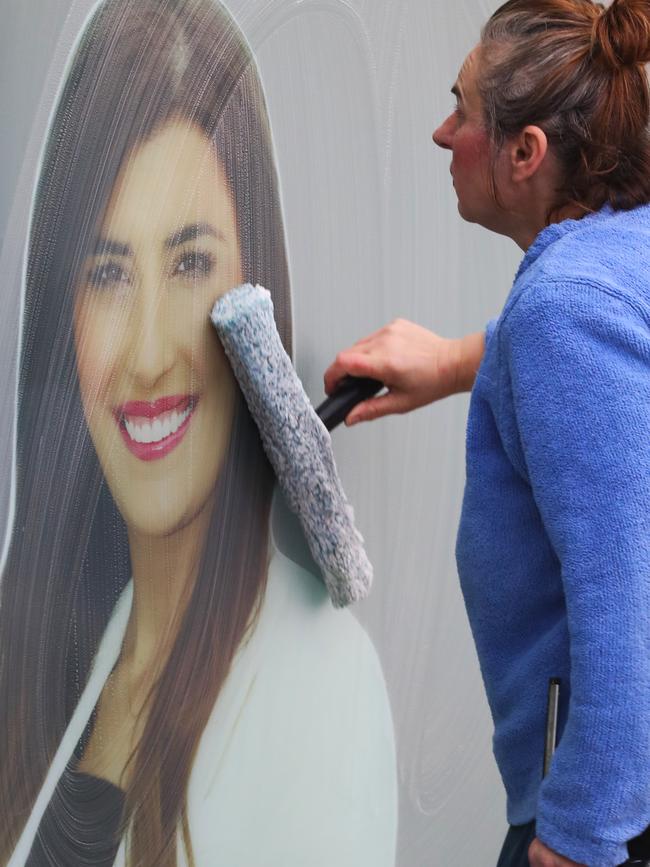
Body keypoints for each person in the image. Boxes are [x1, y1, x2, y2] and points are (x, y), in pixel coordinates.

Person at [0, 1, 397, 865]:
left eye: (189, 263)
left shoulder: (322, 693)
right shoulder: (53, 658)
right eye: (107, 272)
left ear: (258, 286)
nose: (145, 356)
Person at [325, 0, 650, 865]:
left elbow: (630, 596)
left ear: (524, 153)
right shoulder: (624, 258)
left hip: (607, 823)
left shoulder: (564, 312)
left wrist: (579, 830)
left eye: (462, 110)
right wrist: (461, 360)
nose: (441, 133)